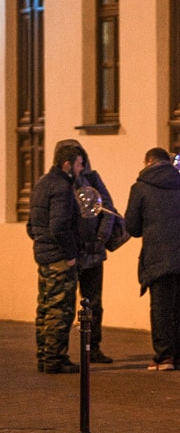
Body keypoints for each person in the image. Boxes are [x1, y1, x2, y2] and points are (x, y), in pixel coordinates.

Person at [124, 147, 180, 371]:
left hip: (159, 257)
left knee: (162, 308)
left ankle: (164, 357)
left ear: (149, 161)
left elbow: (132, 227)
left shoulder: (140, 187)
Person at [26, 140, 85, 374]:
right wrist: (70, 255)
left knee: (45, 306)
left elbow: (32, 225)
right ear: (67, 165)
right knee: (60, 309)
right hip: (59, 258)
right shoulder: (62, 187)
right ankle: (55, 358)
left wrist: (41, 243)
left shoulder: (41, 183)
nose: (81, 169)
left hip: (44, 254)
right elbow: (59, 226)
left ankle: (44, 355)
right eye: (79, 164)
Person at [72, 142, 124, 364]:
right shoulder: (59, 183)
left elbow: (108, 209)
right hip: (70, 252)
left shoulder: (92, 179)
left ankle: (92, 347)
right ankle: (59, 351)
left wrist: (100, 238)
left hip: (93, 252)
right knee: (64, 303)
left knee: (93, 302)